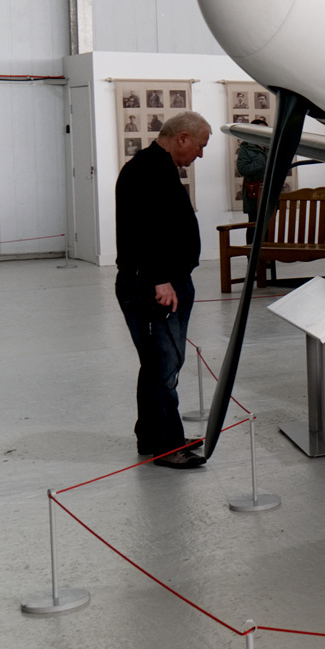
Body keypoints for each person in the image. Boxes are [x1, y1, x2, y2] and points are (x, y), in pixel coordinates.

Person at [115, 111, 211, 468]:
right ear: (183, 137)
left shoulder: (156, 166)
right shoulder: (148, 170)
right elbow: (144, 231)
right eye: (200, 146)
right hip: (153, 284)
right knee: (164, 366)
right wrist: (160, 280)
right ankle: (168, 446)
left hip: (158, 280)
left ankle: (152, 435)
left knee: (155, 364)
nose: (200, 155)